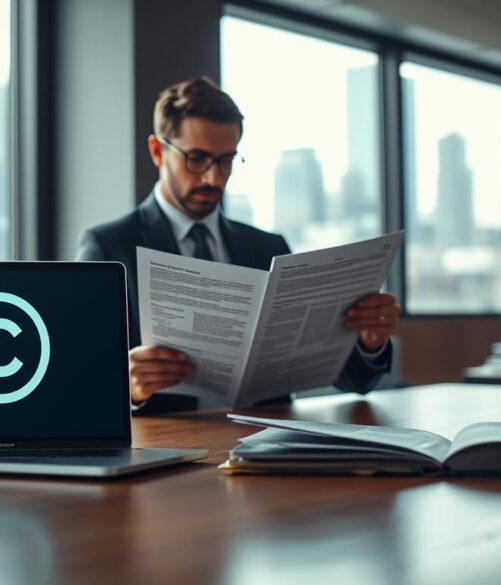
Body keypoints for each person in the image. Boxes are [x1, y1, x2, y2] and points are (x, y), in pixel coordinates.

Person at [77, 77, 400, 413]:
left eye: (226, 160)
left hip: (266, 445)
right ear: (158, 151)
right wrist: (127, 388)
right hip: (168, 448)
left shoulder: (268, 247)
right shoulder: (108, 246)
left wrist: (370, 342)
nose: (213, 177)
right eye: (197, 158)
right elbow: (79, 377)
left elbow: (356, 382)